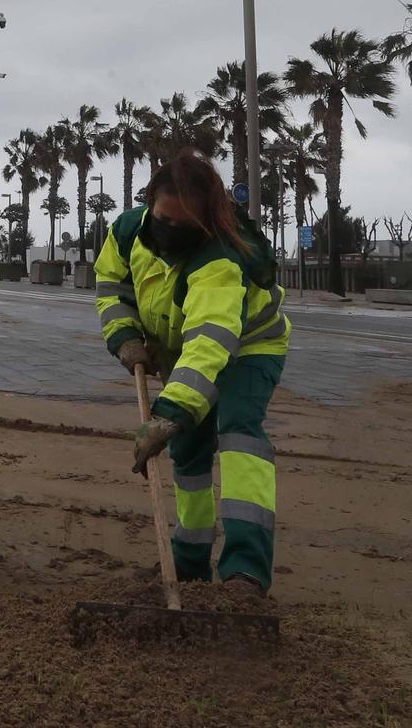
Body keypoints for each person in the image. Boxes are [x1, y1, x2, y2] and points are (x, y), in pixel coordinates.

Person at [92, 150, 290, 592]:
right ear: (150, 204)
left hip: (249, 347)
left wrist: (169, 413)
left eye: (185, 226)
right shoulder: (129, 231)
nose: (170, 233)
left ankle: (245, 571)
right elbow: (111, 285)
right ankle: (189, 561)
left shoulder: (218, 259)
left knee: (239, 434)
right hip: (184, 349)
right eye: (164, 218)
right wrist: (123, 336)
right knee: (190, 450)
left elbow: (211, 340)